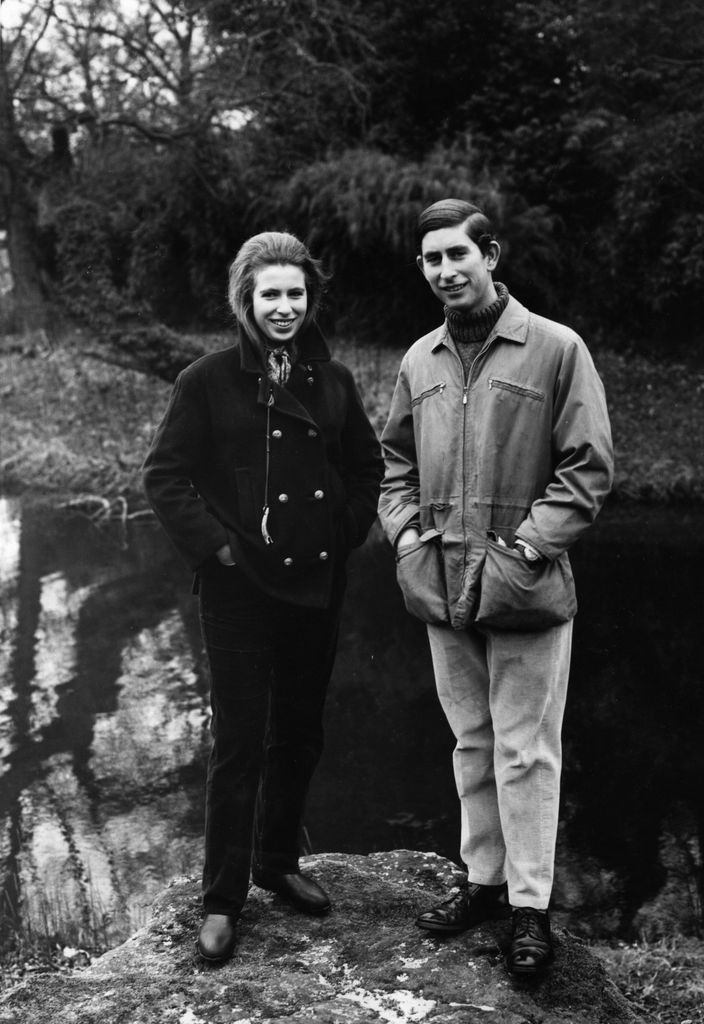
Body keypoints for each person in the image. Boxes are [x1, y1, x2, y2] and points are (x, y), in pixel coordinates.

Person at [379, 199, 614, 976]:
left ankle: (530, 908)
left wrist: (524, 549)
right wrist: (408, 536)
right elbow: (394, 467)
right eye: (431, 259)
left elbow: (586, 469)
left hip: (524, 588)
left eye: (458, 254)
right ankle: (481, 883)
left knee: (525, 752)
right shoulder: (419, 361)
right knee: (471, 744)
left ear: (490, 254)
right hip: (441, 587)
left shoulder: (554, 349)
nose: (446, 270)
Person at [143, 231, 382, 964]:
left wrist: (343, 532)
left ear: (309, 300)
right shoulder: (206, 380)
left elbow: (367, 464)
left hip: (315, 581)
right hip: (238, 589)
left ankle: (276, 863)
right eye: (269, 294)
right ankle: (222, 899)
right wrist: (219, 549)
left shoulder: (331, 379)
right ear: (244, 301)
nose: (284, 307)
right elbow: (165, 476)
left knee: (299, 733)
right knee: (239, 742)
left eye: (295, 294)